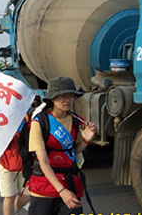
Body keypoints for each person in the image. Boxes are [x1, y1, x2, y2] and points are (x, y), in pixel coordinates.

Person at [28, 76, 95, 215]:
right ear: (52, 98)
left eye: (71, 96)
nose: (67, 100)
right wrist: (61, 191)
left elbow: (71, 152)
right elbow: (43, 162)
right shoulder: (40, 122)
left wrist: (85, 141)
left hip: (69, 183)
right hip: (45, 187)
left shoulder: (76, 120)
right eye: (62, 96)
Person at [0, 114, 31, 215]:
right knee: (9, 196)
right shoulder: (1, 117)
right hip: (6, 162)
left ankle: (13, 211)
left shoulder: (30, 115)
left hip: (25, 163)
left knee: (28, 194)